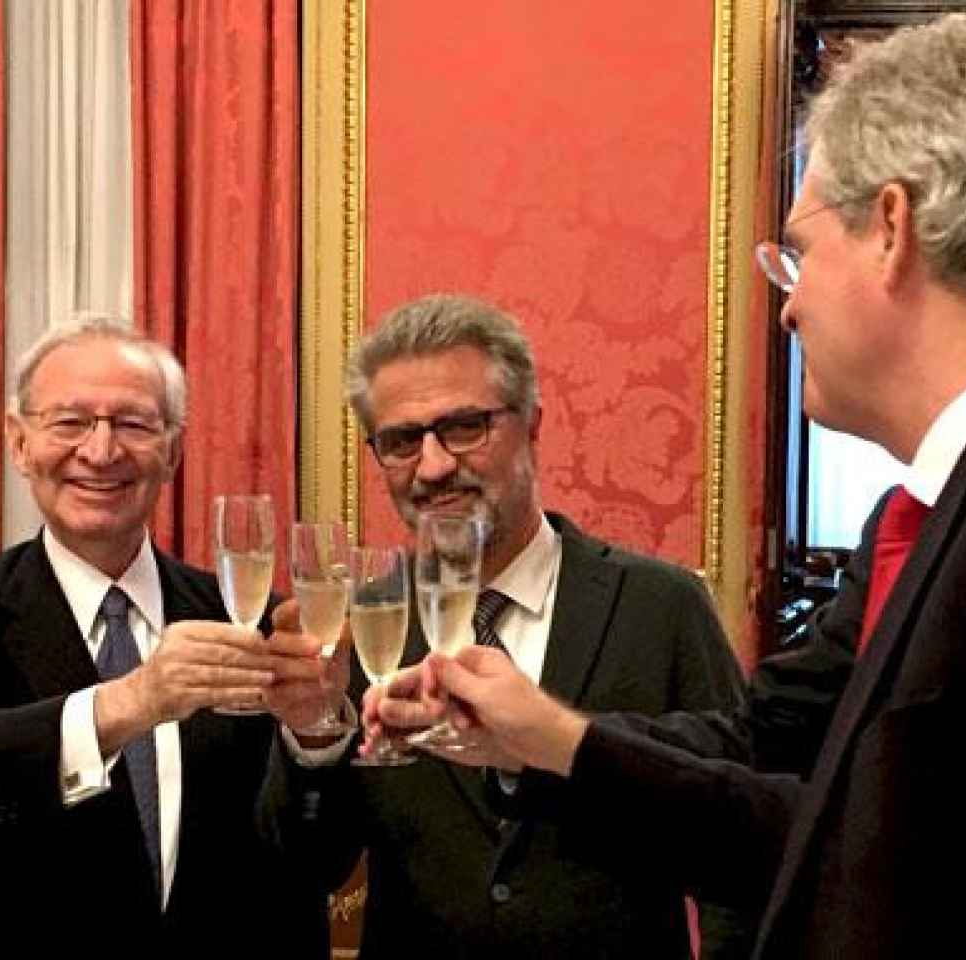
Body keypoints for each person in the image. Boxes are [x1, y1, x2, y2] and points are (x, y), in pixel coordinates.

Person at [368, 16, 966, 958]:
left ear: (891, 229)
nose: (790, 302)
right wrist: (549, 736)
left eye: (800, 254)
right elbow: (822, 800)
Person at [257, 293, 751, 959]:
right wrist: (313, 733)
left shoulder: (660, 605)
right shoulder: (362, 623)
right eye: (402, 440)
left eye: (464, 427)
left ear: (532, 424)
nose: (432, 466)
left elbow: (733, 837)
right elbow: (304, 863)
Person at [0, 319, 330, 957]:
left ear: (172, 451)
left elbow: (313, 857)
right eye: (69, 423)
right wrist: (128, 704)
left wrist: (312, 743)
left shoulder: (247, 620)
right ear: (19, 442)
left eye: (134, 425)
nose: (101, 451)